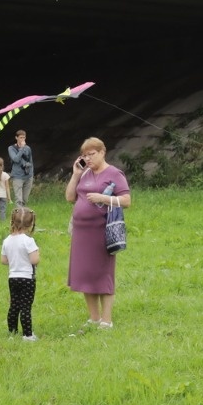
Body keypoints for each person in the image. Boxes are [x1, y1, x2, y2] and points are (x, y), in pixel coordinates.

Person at [66, 137, 131, 328]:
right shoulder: (84, 174)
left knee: (103, 274)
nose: (88, 158)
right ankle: (93, 318)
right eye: (85, 155)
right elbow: (70, 197)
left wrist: (104, 198)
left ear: (103, 152)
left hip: (101, 232)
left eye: (92, 154)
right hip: (81, 233)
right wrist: (76, 174)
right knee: (85, 274)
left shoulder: (114, 173)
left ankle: (106, 320)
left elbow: (127, 200)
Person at [1, 207, 40, 341]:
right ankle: (28, 335)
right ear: (30, 224)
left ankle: (12, 332)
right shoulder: (28, 241)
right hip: (27, 278)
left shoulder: (7, 240)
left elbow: (4, 260)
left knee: (14, 305)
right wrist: (37, 254)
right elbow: (34, 260)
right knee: (25, 307)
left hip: (12, 278)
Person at [8, 129, 34, 207]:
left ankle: (24, 216)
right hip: (17, 176)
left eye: (24, 137)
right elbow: (16, 159)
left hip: (28, 176)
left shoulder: (28, 148)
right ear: (16, 138)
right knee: (19, 200)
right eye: (21, 138)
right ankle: (19, 217)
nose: (22, 139)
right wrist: (22, 148)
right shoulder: (11, 148)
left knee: (25, 199)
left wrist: (31, 173)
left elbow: (30, 161)